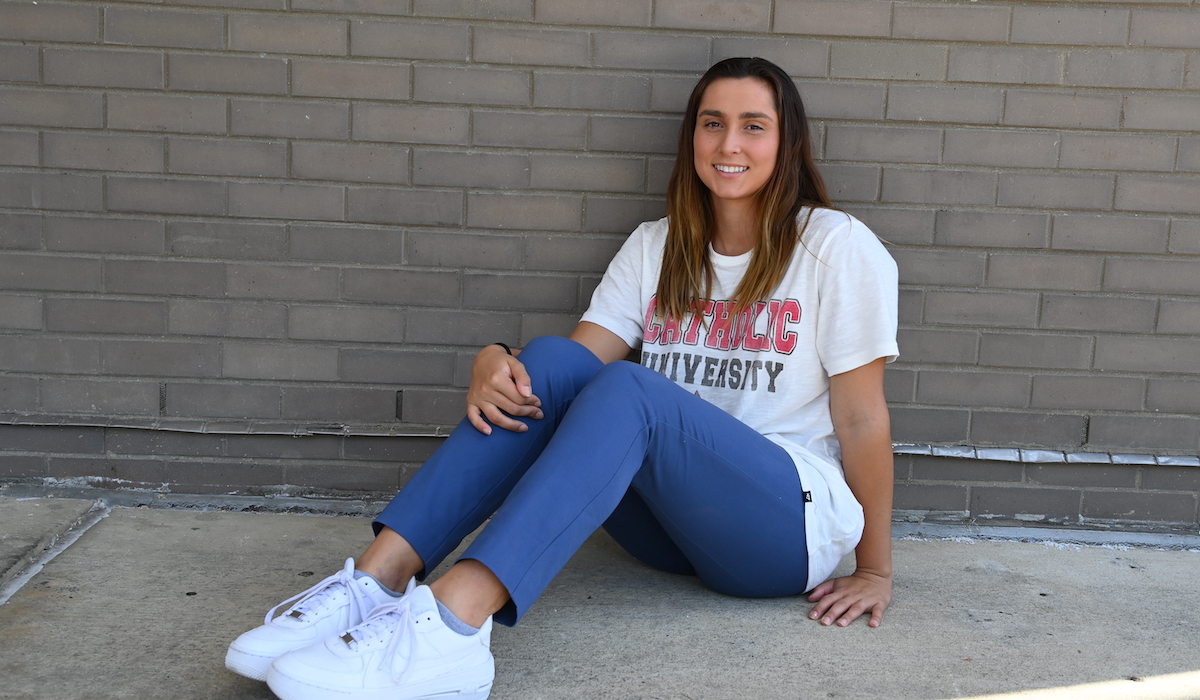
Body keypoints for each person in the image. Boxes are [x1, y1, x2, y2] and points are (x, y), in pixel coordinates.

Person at [225, 56, 898, 700]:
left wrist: (873, 569)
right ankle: (379, 580)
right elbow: (567, 378)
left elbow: (862, 418)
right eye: (712, 122)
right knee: (548, 360)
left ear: (788, 144)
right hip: (676, 531)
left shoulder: (834, 247)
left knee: (633, 391)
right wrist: (496, 359)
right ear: (692, 135)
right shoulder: (657, 246)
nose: (730, 142)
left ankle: (454, 626)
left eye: (755, 125)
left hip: (782, 529)